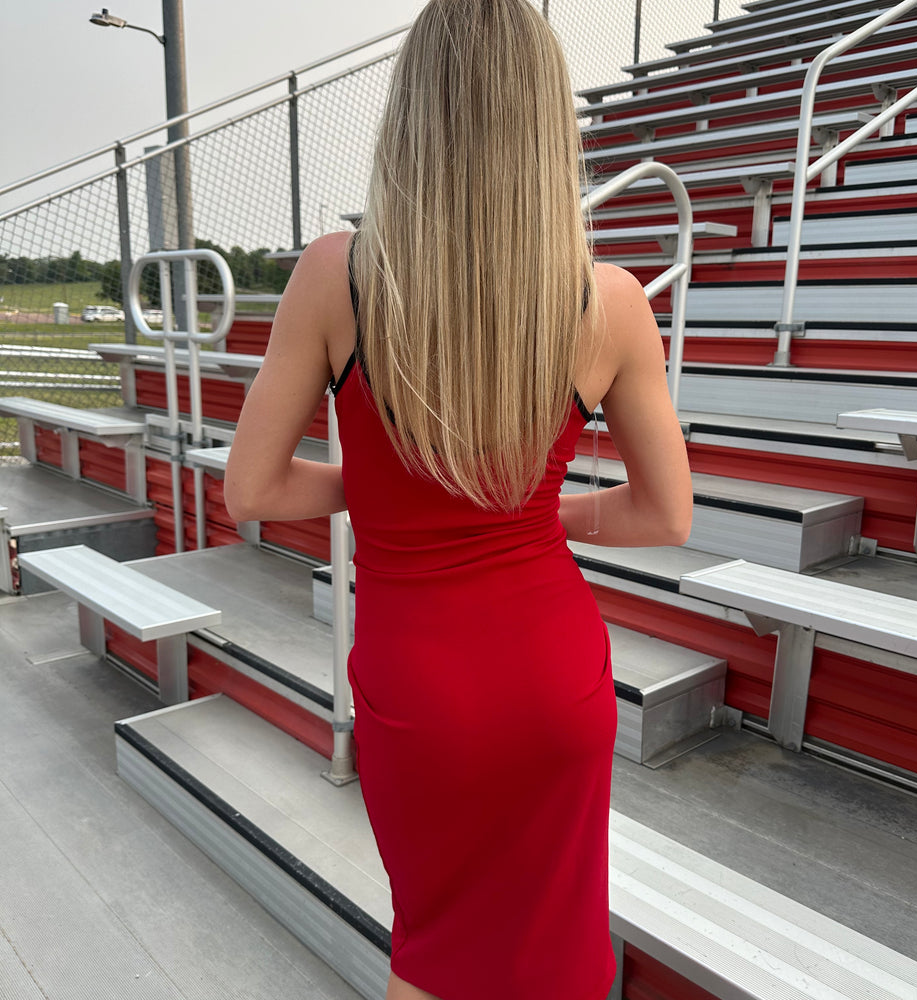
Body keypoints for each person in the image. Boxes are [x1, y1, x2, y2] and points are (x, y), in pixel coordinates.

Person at [224, 1, 692, 997]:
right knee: (556, 952)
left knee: (435, 952)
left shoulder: (329, 275)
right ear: (543, 123)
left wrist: (405, 496)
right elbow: (664, 515)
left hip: (417, 682)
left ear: (411, 116)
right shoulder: (608, 299)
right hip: (550, 675)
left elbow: (252, 492)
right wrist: (510, 506)